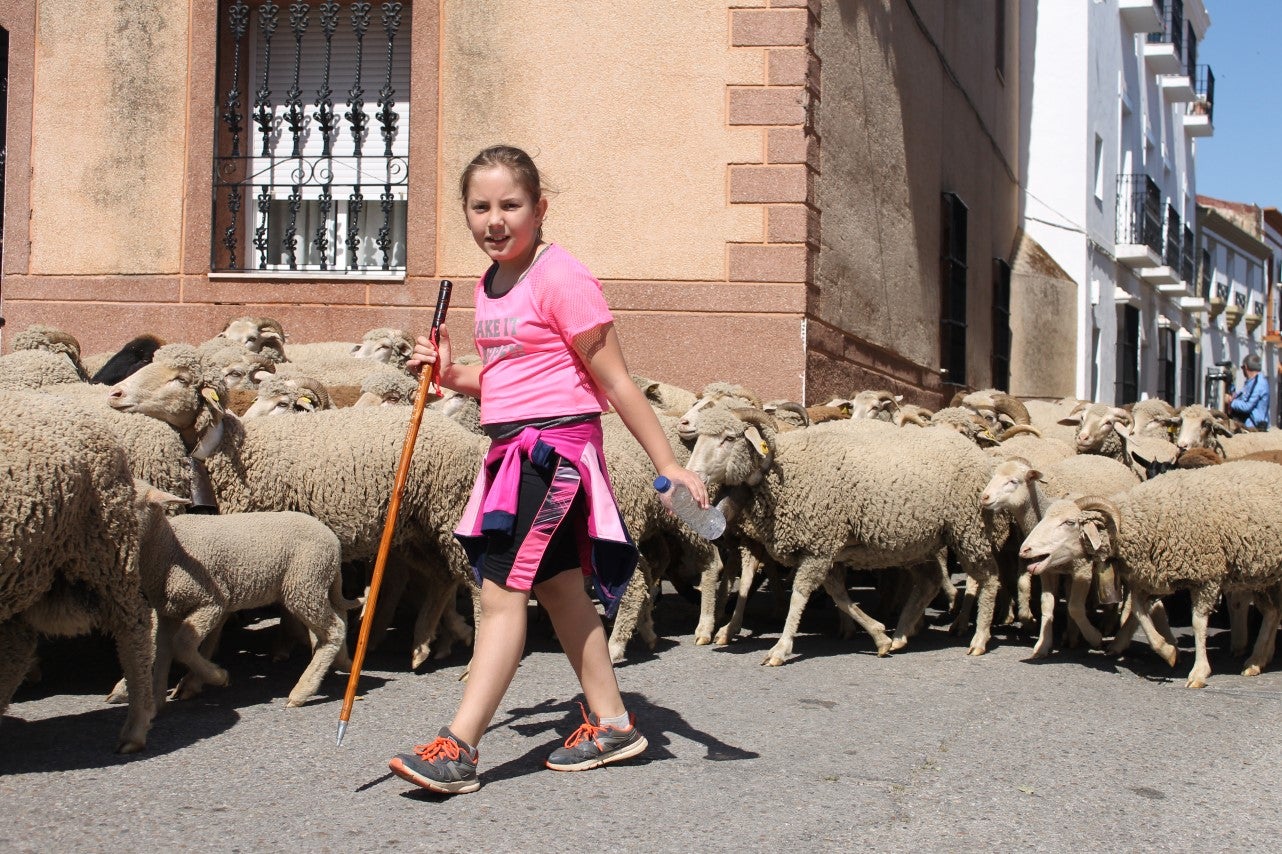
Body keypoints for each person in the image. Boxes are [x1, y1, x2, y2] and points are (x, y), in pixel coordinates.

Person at [387, 145, 709, 795]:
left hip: (552, 456)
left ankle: (460, 746)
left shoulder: (562, 276)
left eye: (511, 205)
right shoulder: (489, 285)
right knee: (560, 590)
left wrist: (669, 462)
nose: (495, 219)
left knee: (500, 598)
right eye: (481, 207)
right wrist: (450, 374)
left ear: (540, 208)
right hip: (511, 452)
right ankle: (614, 723)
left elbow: (614, 378)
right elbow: (509, 376)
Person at [1224, 352, 1270, 430]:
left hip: (1255, 427)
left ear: (1246, 367)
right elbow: (1240, 396)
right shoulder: (1251, 382)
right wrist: (1230, 385)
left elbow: (1247, 406)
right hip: (1248, 426)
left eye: (1242, 367)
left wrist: (1230, 401)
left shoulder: (1258, 383)